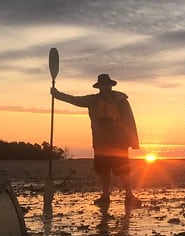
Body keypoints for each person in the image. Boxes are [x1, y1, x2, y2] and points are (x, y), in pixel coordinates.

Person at [52, 73, 139, 207]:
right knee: (104, 171)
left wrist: (133, 141)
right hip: (101, 143)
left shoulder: (121, 101)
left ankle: (129, 195)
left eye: (106, 85)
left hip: (118, 143)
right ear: (100, 87)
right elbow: (74, 100)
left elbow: (129, 121)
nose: (105, 87)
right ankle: (105, 196)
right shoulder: (93, 100)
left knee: (123, 171)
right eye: (103, 85)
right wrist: (58, 95)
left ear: (110, 85)